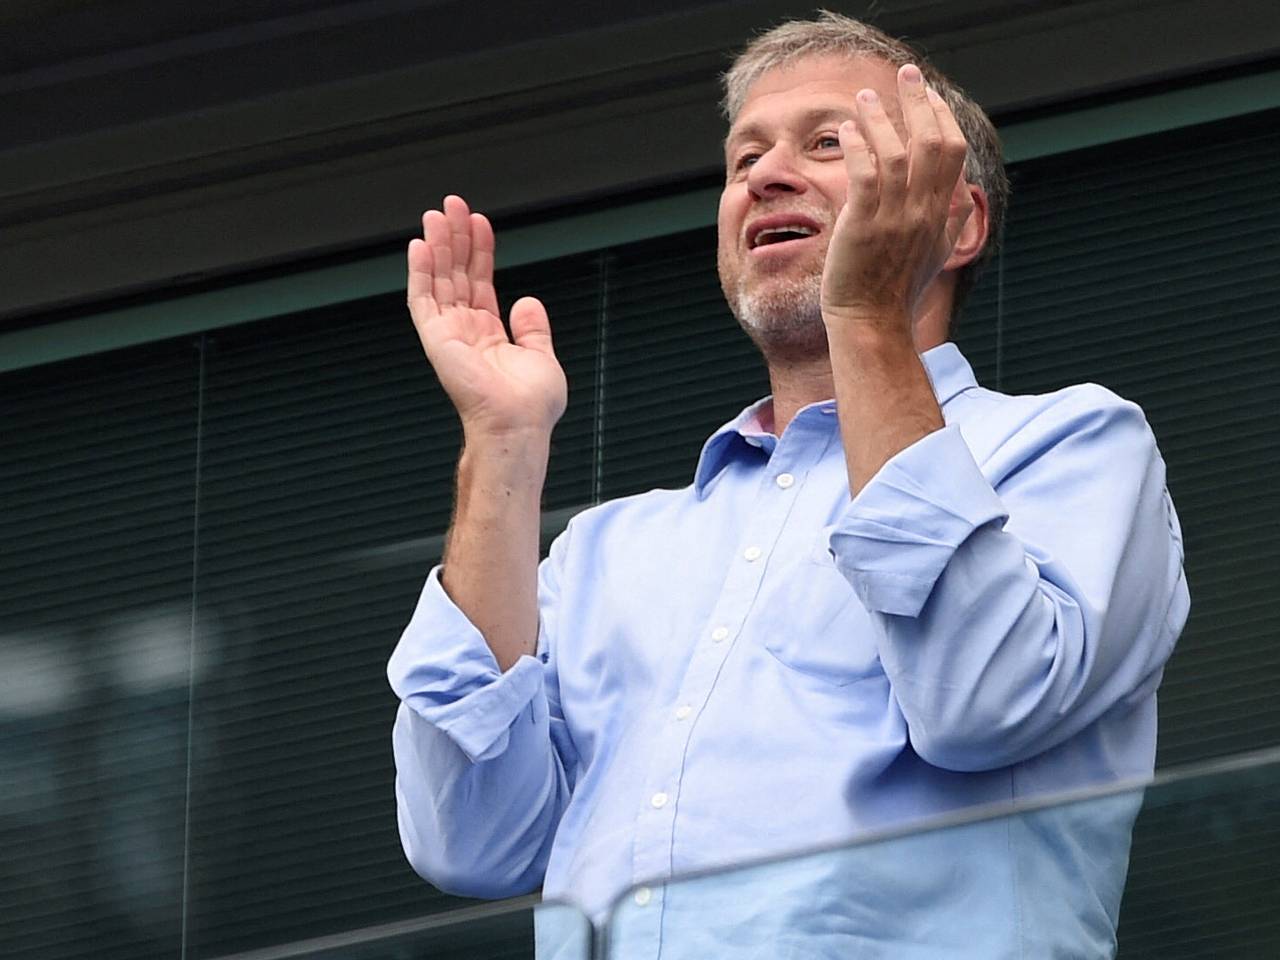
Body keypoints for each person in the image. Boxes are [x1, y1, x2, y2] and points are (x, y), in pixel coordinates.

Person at [388, 11, 1189, 958]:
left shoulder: (1073, 444)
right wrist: (503, 440)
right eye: (744, 158)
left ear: (957, 220)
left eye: (828, 143)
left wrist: (867, 316)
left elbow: (986, 701)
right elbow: (468, 841)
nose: (765, 175)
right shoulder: (606, 548)